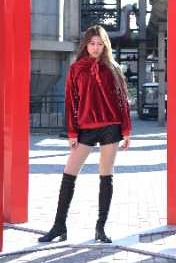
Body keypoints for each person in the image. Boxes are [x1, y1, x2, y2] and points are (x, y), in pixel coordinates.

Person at [38, 25, 131, 244]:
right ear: (86, 45)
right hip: (85, 128)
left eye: (100, 44)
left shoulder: (113, 68)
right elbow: (71, 102)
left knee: (106, 176)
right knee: (69, 173)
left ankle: (101, 228)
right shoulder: (76, 68)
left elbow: (122, 101)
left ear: (105, 45)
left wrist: (126, 131)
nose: (95, 48)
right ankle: (59, 226)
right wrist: (72, 132)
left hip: (111, 126)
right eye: (92, 43)